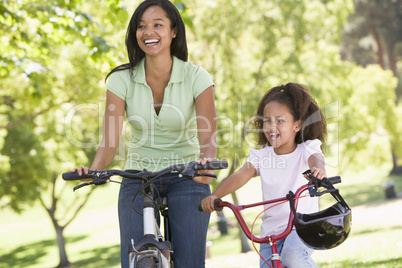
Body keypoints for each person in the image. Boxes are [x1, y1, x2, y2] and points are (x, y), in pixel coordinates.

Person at [72, 0, 217, 267]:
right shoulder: (121, 79)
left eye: (157, 25)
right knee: (135, 261)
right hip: (137, 175)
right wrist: (94, 171)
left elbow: (208, 137)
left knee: (190, 263)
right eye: (141, 26)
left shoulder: (197, 77)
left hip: (185, 174)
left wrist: (206, 163)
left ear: (174, 31)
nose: (148, 32)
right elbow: (110, 139)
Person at [201, 82, 327, 268]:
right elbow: (241, 174)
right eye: (267, 120)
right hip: (271, 233)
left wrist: (318, 170)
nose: (271, 126)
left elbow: (316, 159)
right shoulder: (262, 156)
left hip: (302, 227)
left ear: (297, 125)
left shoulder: (306, 149)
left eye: (280, 120)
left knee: (293, 256)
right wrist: (215, 195)